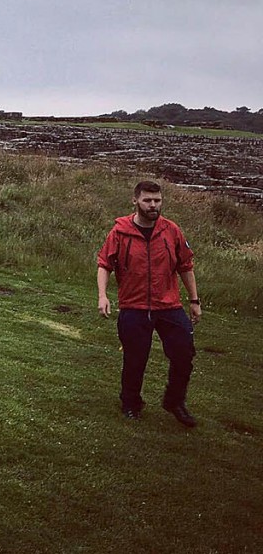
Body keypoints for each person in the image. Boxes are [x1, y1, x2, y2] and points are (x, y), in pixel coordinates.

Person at [97, 180, 201, 427]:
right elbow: (104, 264)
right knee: (135, 358)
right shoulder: (120, 232)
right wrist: (103, 295)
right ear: (135, 201)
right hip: (134, 306)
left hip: (168, 305)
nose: (153, 205)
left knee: (184, 353)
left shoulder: (171, 230)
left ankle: (174, 401)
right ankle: (131, 403)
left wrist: (194, 300)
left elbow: (185, 266)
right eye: (147, 200)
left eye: (157, 200)